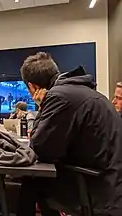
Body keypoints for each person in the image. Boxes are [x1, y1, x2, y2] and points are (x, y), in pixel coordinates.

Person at [17, 52, 122, 216]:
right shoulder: (81, 91)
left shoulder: (59, 96)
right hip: (109, 181)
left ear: (32, 87)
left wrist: (42, 107)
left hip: (99, 190)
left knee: (31, 180)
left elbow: (40, 147)